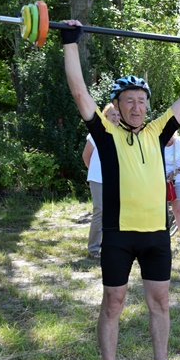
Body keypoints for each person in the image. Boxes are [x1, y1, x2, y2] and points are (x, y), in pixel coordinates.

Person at [61, 19, 180, 360]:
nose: (137, 107)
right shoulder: (106, 135)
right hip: (119, 235)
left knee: (160, 301)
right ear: (118, 107)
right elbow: (79, 92)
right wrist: (70, 42)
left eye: (142, 101)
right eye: (130, 101)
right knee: (114, 302)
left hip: (157, 234)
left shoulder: (159, 131)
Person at [82, 103, 120, 258]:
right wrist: (96, 171)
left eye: (118, 115)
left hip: (115, 180)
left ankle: (112, 246)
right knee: (100, 211)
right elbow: (86, 156)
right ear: (106, 116)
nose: (116, 118)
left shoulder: (122, 134)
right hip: (98, 179)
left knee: (115, 213)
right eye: (113, 115)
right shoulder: (96, 134)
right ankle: (93, 249)